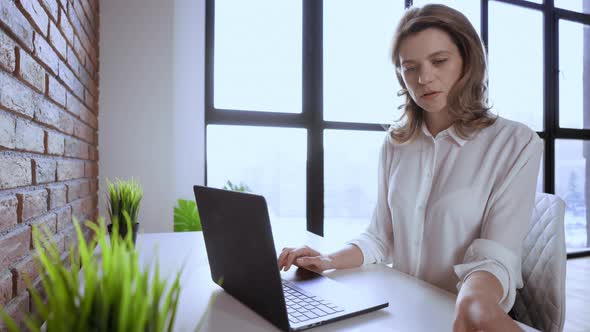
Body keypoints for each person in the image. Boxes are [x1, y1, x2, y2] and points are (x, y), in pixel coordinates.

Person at [278, 4, 543, 332]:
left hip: (461, 316)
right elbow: (379, 236)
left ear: (467, 60)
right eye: (410, 67)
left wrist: (475, 300)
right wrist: (328, 260)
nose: (424, 78)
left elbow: (496, 257)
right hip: (401, 311)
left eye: (439, 61)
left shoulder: (515, 143)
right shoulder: (396, 142)